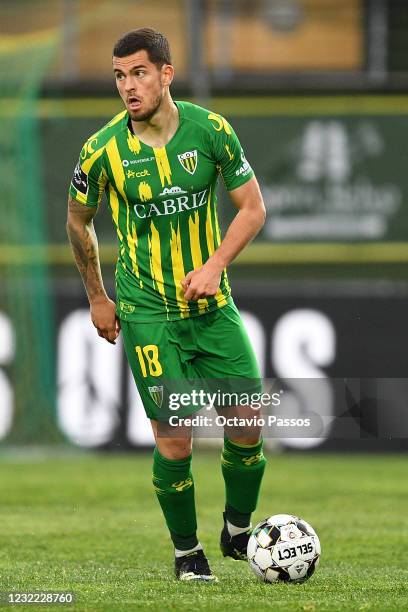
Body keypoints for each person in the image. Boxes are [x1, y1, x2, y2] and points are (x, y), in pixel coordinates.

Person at [67, 28, 266, 582]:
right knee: (175, 436)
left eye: (138, 73)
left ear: (166, 74)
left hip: (211, 306)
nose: (128, 87)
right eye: (119, 76)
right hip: (148, 313)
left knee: (247, 424)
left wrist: (214, 266)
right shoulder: (102, 149)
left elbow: (252, 209)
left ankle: (237, 528)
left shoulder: (211, 131)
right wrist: (97, 296)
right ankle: (187, 553)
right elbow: (77, 221)